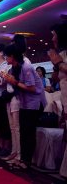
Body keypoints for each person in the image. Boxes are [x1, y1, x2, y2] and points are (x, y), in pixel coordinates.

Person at [1, 44, 46, 169]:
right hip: (24, 102)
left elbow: (32, 88)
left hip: (34, 103)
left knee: (28, 133)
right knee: (24, 132)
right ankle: (22, 159)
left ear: (13, 56)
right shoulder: (14, 67)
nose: (5, 59)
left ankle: (26, 162)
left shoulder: (26, 67)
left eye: (7, 56)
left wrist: (14, 82)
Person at [48, 23, 67, 177]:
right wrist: (56, 65)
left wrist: (59, 63)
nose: (53, 38)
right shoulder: (62, 54)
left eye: (54, 34)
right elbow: (55, 79)